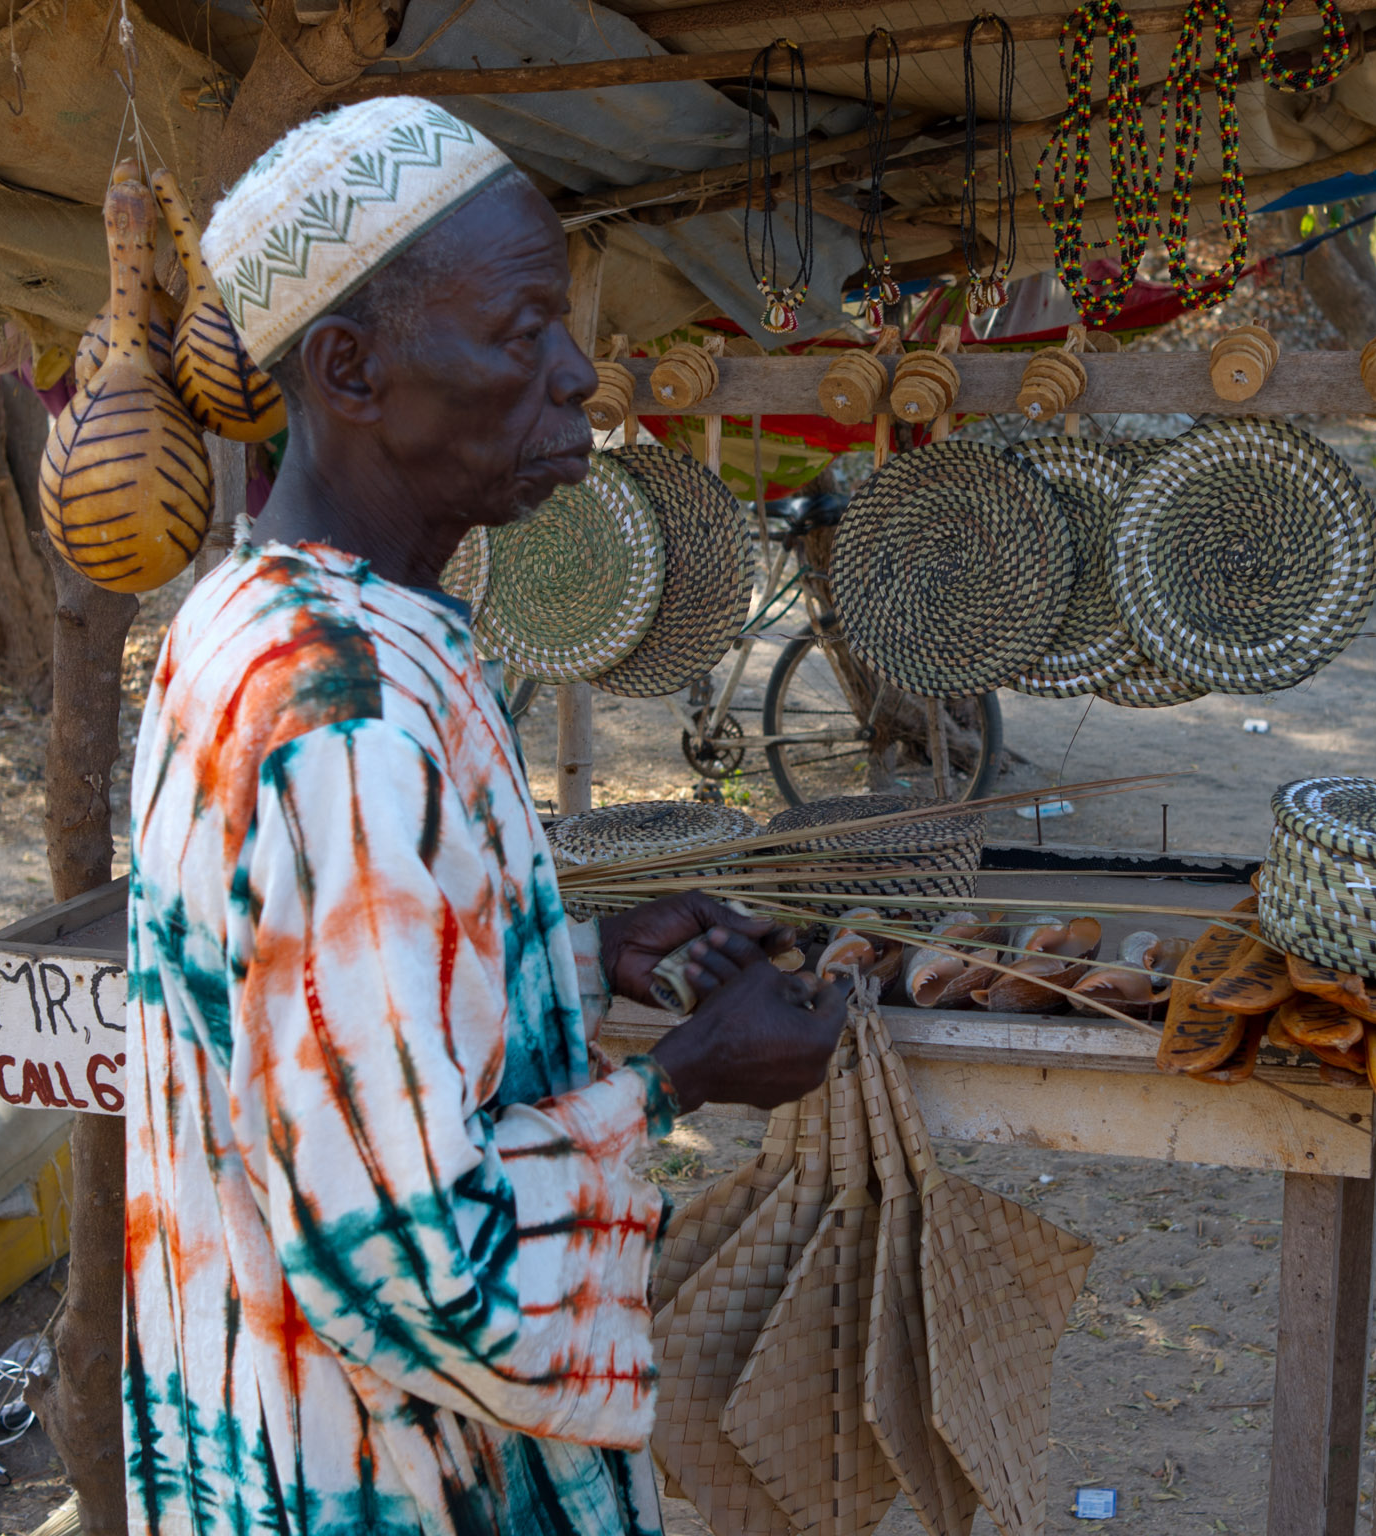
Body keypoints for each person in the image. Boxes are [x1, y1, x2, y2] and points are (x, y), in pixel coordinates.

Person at [122, 97, 847, 1536]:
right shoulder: (344, 721)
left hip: (261, 1422)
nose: (577, 374)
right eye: (521, 334)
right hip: (376, 1481)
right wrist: (684, 1078)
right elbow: (415, 1272)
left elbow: (326, 1036)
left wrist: (575, 964)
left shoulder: (253, 617)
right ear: (354, 370)